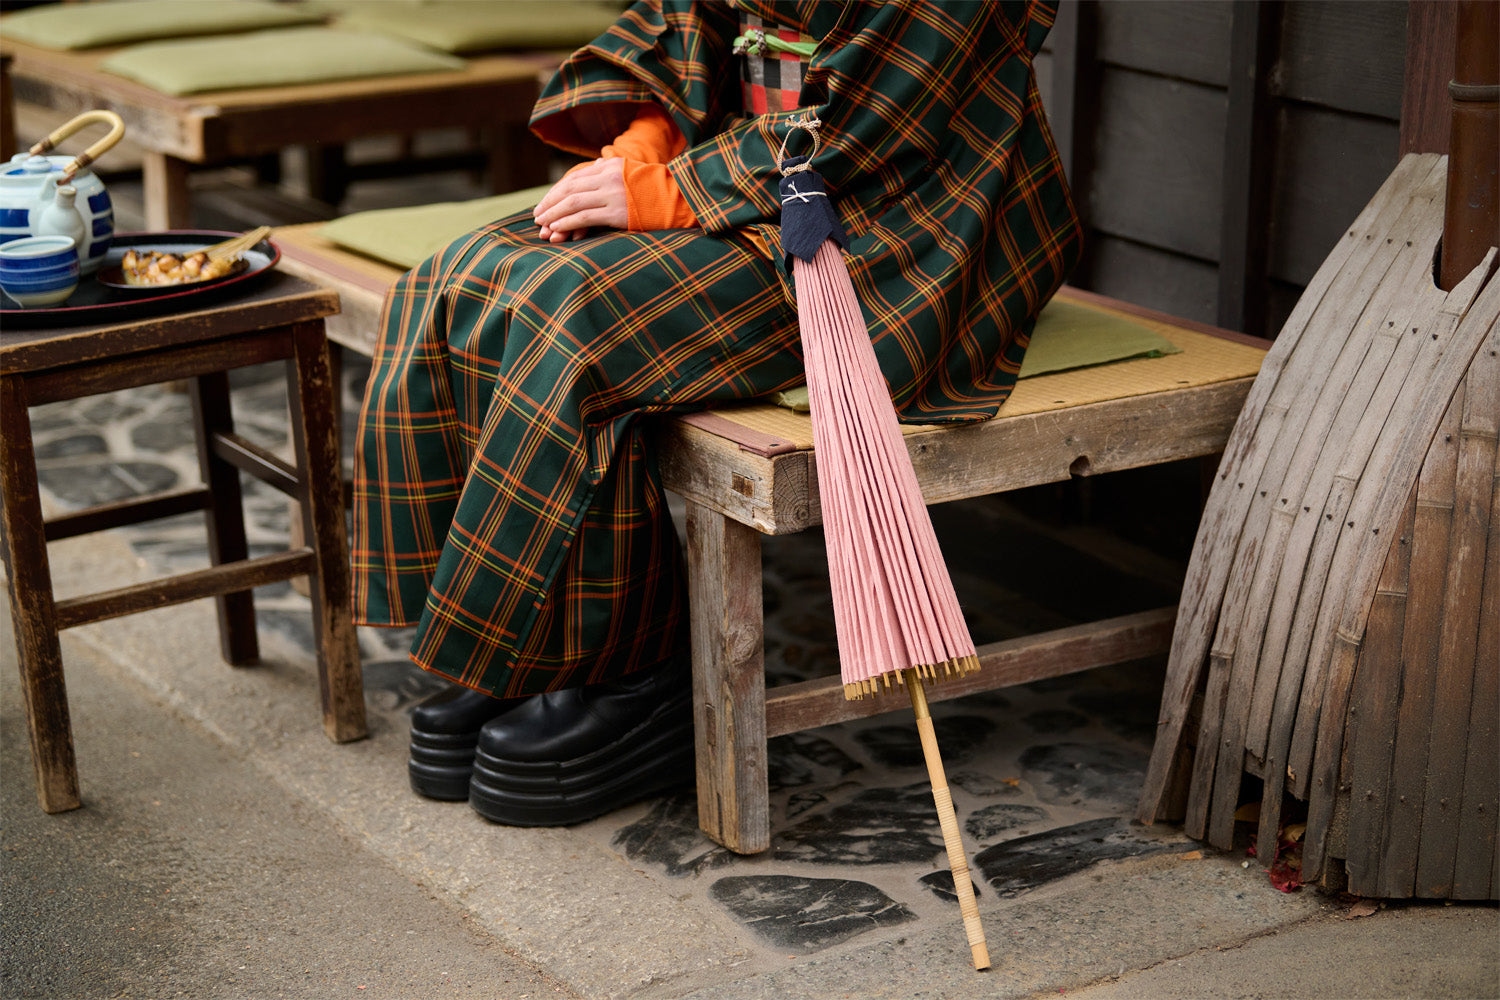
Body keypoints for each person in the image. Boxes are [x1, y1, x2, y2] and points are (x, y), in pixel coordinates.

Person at [352, 0, 1083, 826]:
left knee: (574, 310)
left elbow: (876, 110)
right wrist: (648, 134)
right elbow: (683, 23)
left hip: (897, 219)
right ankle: (520, 646)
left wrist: (674, 189)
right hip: (753, 169)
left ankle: (637, 677)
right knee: (456, 274)